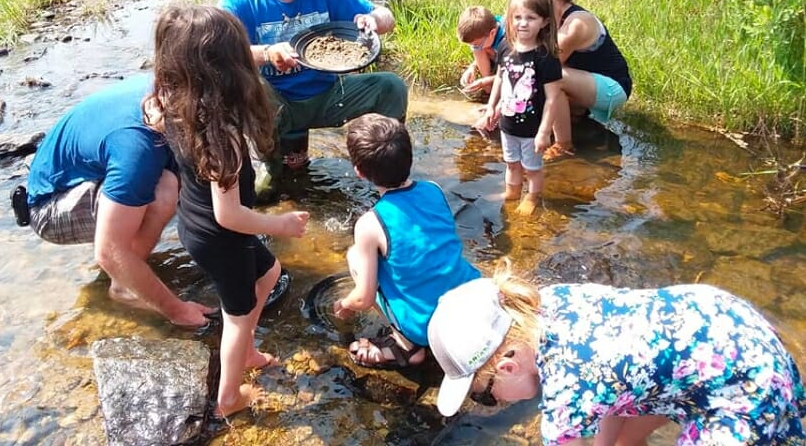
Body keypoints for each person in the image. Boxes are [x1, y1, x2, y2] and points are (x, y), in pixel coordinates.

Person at [427, 263, 806, 444]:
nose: (489, 402)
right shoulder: (549, 303)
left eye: (484, 395)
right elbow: (612, 390)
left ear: (507, 368)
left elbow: (586, 395)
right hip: (725, 326)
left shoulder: (566, 393)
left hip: (744, 387)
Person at [150, 4, 310, 417]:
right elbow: (231, 215)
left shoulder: (171, 104)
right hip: (221, 238)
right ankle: (228, 399)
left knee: (271, 272)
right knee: (236, 318)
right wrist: (282, 224)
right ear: (229, 70)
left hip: (193, 222)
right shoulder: (225, 137)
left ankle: (249, 351)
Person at [218, 0, 409, 197]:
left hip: (329, 96)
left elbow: (387, 17)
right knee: (247, 87)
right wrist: (267, 54)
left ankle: (385, 170)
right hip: (276, 104)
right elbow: (220, 51)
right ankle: (270, 163)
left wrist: (371, 19)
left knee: (391, 86)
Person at [23, 74, 216, 327]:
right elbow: (108, 252)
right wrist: (177, 311)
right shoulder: (139, 149)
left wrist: (268, 54)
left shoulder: (170, 85)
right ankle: (124, 288)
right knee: (165, 189)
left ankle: (130, 267)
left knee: (177, 180)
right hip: (49, 207)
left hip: (86, 177)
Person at [332, 113, 480, 369]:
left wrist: (343, 305)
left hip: (425, 326)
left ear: (359, 172)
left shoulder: (370, 223)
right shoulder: (433, 188)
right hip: (470, 298)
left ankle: (406, 345)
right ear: (409, 157)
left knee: (356, 256)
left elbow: (364, 299)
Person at [521, 0, 632, 161]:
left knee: (554, 77)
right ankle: (575, 117)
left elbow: (546, 65)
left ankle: (564, 145)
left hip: (613, 88)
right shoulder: (547, 17)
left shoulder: (576, 23)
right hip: (585, 80)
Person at [473, 0, 563, 215]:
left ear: (544, 22)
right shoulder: (506, 48)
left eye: (531, 18)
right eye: (518, 17)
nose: (523, 23)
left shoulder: (545, 57)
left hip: (532, 130)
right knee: (511, 164)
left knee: (532, 169)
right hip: (508, 126)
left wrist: (544, 132)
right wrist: (492, 106)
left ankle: (533, 197)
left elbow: (553, 98)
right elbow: (501, 79)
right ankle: (512, 193)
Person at [456, 5, 506, 102]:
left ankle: (491, 91)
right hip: (497, 54)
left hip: (517, 63)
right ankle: (489, 92)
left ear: (492, 33)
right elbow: (480, 47)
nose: (475, 48)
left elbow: (515, 72)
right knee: (480, 49)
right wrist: (473, 67)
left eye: (476, 45)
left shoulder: (508, 40)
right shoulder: (485, 31)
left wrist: (486, 81)